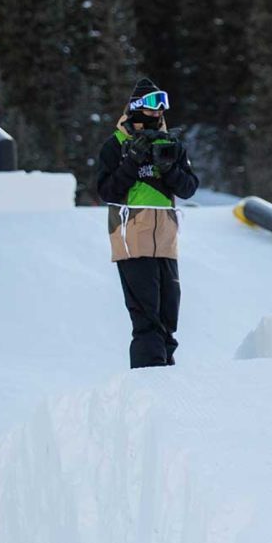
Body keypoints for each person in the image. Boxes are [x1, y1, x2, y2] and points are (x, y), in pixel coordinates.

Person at [94, 78, 199, 368]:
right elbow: (106, 191)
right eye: (152, 105)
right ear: (137, 107)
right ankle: (149, 377)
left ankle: (166, 371)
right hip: (132, 238)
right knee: (147, 315)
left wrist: (168, 169)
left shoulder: (170, 145)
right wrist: (131, 162)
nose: (158, 112)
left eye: (162, 105)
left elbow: (189, 188)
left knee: (168, 313)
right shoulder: (115, 145)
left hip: (165, 239)